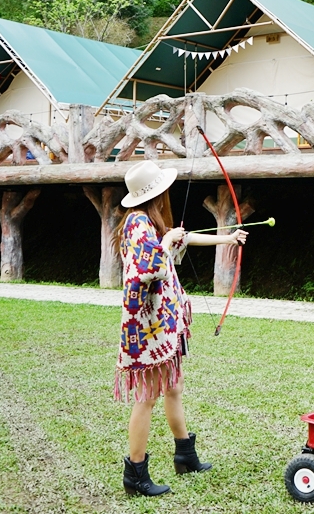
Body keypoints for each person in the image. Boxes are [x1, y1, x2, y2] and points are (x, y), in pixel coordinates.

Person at [114, 160, 247, 497]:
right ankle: (135, 475)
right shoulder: (138, 224)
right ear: (155, 192)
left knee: (173, 386)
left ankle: (185, 455)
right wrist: (165, 242)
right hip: (148, 329)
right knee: (147, 396)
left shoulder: (148, 221)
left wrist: (228, 238)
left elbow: (182, 240)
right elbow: (142, 271)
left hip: (165, 326)